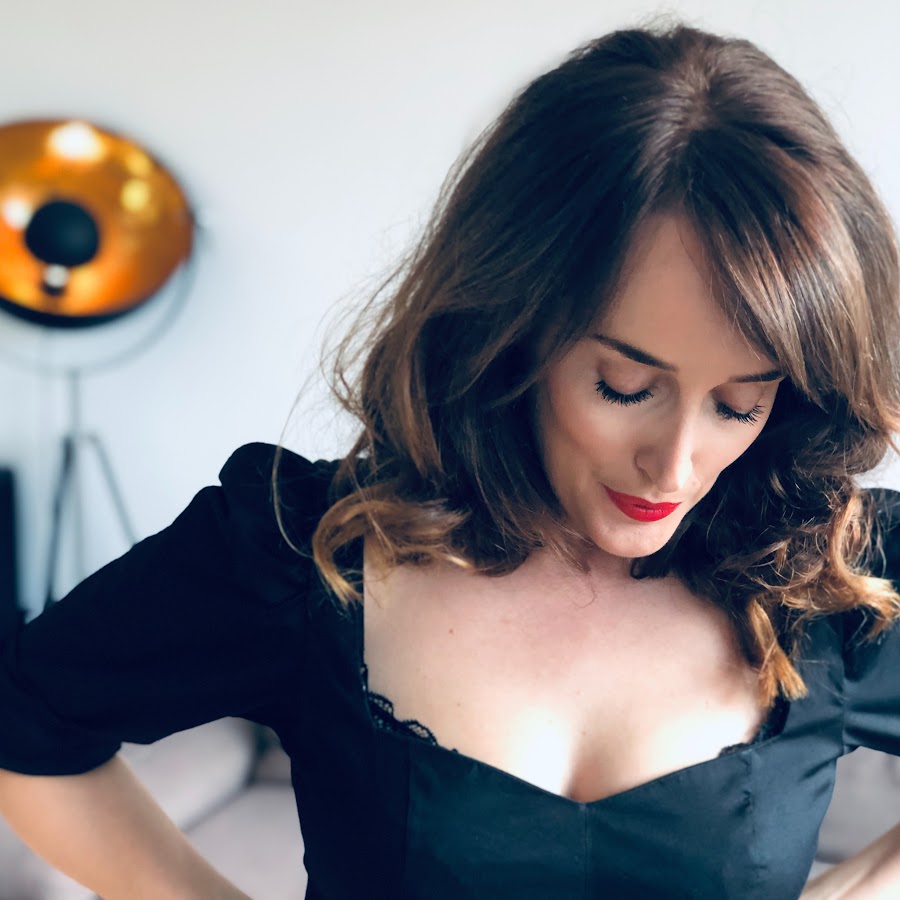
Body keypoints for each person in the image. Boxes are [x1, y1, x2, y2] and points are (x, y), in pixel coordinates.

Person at [2, 21, 900, 900]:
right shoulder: (304, 553)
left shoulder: (840, 577)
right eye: (625, 386)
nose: (674, 468)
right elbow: (25, 722)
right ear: (514, 330)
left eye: (740, 402)